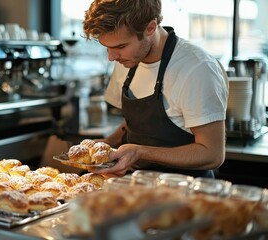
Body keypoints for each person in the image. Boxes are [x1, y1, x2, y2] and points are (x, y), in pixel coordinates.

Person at [82, 0, 228, 178]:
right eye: (107, 48)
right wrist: (107, 143)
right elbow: (139, 122)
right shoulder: (126, 59)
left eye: (120, 46)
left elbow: (212, 154)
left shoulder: (196, 68)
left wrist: (139, 152)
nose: (112, 57)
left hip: (187, 191)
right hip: (137, 185)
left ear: (150, 28)